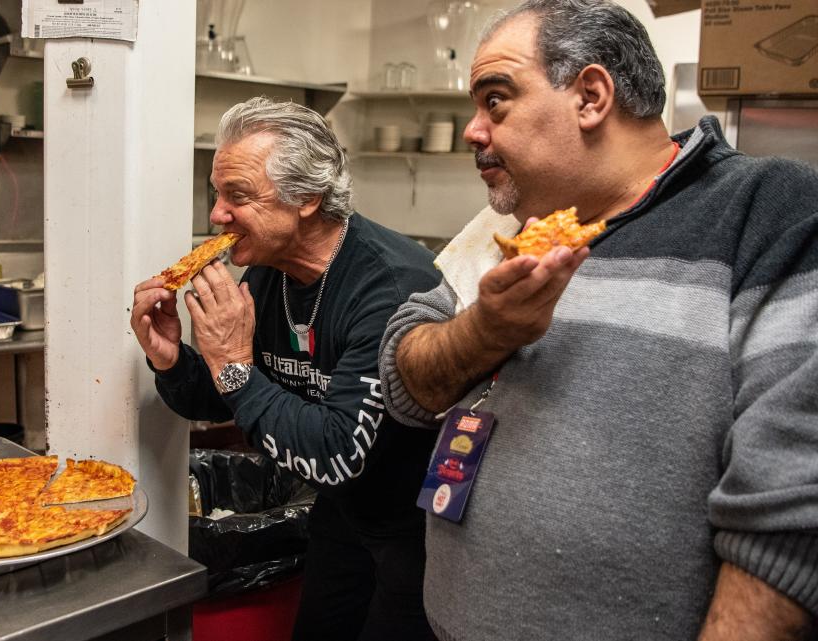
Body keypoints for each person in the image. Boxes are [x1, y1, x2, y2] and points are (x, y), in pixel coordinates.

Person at [378, 1, 818, 639]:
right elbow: (405, 382)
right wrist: (487, 331)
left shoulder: (768, 212)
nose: (473, 130)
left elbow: (792, 505)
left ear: (590, 96)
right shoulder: (514, 223)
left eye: (495, 100)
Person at [131, 97, 440, 641]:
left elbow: (337, 453)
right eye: (217, 193)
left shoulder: (389, 288)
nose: (217, 215)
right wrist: (173, 358)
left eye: (238, 195)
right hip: (341, 518)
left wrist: (231, 364)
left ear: (308, 198)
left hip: (417, 536)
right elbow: (225, 395)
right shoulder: (269, 272)